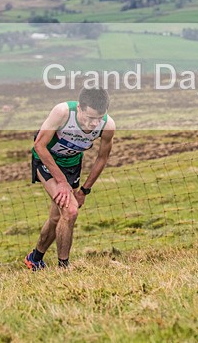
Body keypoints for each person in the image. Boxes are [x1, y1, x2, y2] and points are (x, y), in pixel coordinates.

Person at [24, 87, 115, 270]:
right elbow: (39, 146)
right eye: (89, 118)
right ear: (79, 108)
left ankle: (34, 259)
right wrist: (61, 182)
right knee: (70, 211)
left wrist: (84, 190)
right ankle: (64, 268)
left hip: (72, 165)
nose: (93, 124)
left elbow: (102, 158)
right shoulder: (63, 113)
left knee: (58, 216)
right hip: (46, 160)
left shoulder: (107, 125)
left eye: (98, 118)